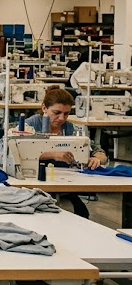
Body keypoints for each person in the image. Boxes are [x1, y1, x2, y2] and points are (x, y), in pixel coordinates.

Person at [26, 86, 107, 218]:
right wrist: (53, 154)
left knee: (81, 214)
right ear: (44, 108)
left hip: (63, 180)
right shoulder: (31, 125)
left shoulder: (70, 129)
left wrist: (96, 159)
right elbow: (16, 150)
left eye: (66, 114)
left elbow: (98, 151)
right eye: (56, 112)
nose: (62, 118)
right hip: (34, 181)